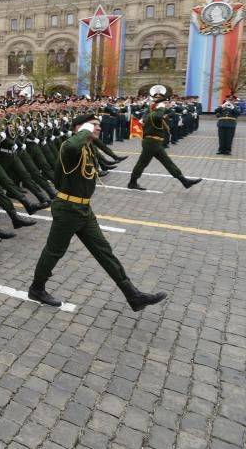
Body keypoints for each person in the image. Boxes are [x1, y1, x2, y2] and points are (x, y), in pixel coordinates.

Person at [29, 114, 167, 311]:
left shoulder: (87, 147)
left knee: (104, 251)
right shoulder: (71, 146)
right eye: (93, 125)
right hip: (68, 208)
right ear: (79, 128)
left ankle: (133, 295)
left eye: (98, 125)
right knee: (54, 252)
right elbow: (70, 147)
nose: (98, 128)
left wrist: (87, 132)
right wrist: (84, 130)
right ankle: (37, 288)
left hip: (83, 208)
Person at [127, 97, 202, 190]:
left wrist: (163, 108)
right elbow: (157, 116)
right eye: (164, 103)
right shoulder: (153, 115)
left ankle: (184, 181)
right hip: (151, 143)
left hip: (155, 143)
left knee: (167, 162)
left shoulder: (154, 113)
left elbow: (168, 115)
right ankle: (132, 182)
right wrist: (161, 107)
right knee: (142, 163)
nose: (166, 105)